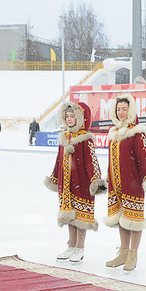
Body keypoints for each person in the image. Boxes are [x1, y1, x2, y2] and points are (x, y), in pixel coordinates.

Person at [44, 102, 106, 263]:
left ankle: (80, 247)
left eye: (73, 116)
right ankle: (71, 245)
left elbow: (91, 162)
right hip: (66, 185)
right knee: (69, 215)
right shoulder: (64, 138)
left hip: (82, 183)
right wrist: (54, 178)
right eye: (67, 116)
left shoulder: (85, 139)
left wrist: (96, 180)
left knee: (81, 217)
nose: (69, 119)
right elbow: (59, 161)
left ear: (80, 118)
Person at [104, 94, 146, 273]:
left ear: (131, 110)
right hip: (115, 185)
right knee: (121, 219)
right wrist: (107, 177)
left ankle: (133, 254)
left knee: (134, 221)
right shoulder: (113, 133)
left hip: (132, 184)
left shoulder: (137, 133)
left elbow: (144, 159)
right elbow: (111, 160)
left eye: (124, 109)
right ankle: (123, 251)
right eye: (118, 109)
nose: (121, 112)